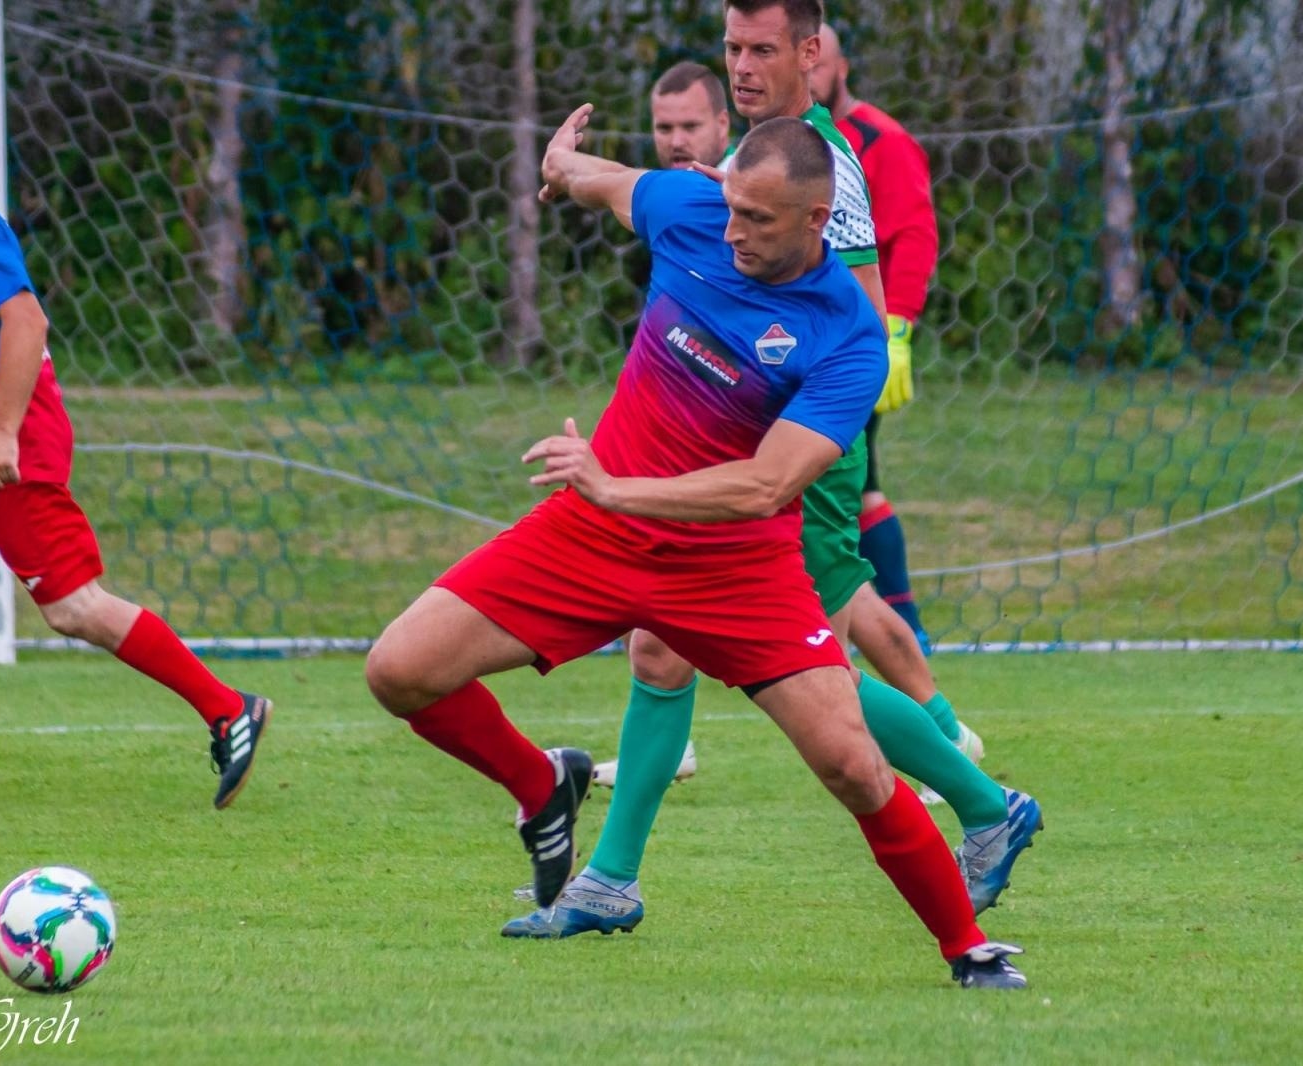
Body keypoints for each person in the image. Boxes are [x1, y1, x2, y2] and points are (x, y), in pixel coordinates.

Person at [364, 104, 1027, 989]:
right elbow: (607, 184)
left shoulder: (847, 337)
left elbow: (766, 485)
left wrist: (613, 485)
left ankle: (968, 949)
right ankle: (543, 787)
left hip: (735, 568)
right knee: (398, 670)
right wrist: (563, 164)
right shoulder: (693, 208)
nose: (735, 229)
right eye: (731, 207)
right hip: (591, 537)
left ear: (815, 222)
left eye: (758, 219)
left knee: (853, 765)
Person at [520, 0, 1040, 938]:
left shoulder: (819, 164)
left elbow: (854, 315)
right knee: (669, 644)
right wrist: (569, 166)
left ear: (810, 53)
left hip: (797, 454)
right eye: (732, 47)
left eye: (764, 49)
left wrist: (814, 444)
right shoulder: (770, 148)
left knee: (804, 674)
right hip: (754, 442)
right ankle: (611, 877)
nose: (743, 66)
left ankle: (982, 803)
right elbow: (651, 194)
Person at [0, 89, 271, 809]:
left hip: (5, 448)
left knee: (74, 607)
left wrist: (0, 433)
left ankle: (227, 708)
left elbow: (25, 321)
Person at [810, 22, 939, 661]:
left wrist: (897, 328)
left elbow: (914, 234)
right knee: (859, 484)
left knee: (850, 483)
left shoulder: (877, 140)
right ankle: (900, 623)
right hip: (808, 340)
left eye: (818, 63)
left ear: (841, 67)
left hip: (861, 336)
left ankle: (894, 627)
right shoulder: (786, 140)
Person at [650, 62, 731, 171]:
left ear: (722, 124)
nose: (676, 143)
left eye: (690, 127)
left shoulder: (750, 184)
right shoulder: (653, 185)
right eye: (664, 128)